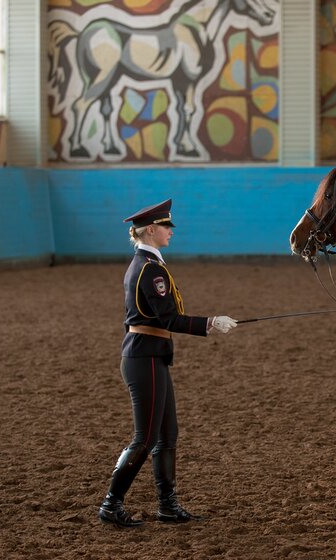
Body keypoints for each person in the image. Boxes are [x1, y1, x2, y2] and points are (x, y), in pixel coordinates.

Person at [98, 198, 238, 528]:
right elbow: (169, 319)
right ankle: (111, 504)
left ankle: (168, 505)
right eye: (166, 227)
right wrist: (210, 323)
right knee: (146, 437)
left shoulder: (147, 264)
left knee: (166, 434)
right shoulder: (150, 269)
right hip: (144, 357)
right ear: (150, 230)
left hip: (150, 355)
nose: (171, 232)